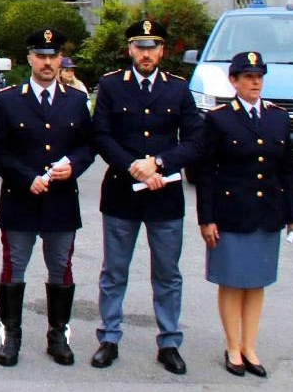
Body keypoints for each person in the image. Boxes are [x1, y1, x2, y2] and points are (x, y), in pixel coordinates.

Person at [90, 19, 202, 375]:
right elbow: (101, 136)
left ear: (162, 51)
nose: (146, 53)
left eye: (152, 47)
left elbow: (195, 140)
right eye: (140, 47)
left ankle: (169, 342)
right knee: (114, 271)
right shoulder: (110, 86)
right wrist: (133, 166)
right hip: (122, 193)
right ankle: (109, 337)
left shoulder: (178, 90)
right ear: (130, 51)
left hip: (164, 195)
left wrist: (160, 163)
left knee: (167, 274)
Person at [0, 29, 93, 367]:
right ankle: (11, 336)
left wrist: (74, 166)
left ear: (61, 59)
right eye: (40, 55)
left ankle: (58, 335)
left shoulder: (76, 100)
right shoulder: (7, 99)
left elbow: (88, 145)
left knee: (60, 267)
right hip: (20, 198)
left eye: (53, 56)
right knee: (14, 268)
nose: (47, 62)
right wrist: (25, 178)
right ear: (29, 59)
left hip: (61, 199)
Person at [195, 51, 293, 378]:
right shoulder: (220, 119)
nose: (255, 82)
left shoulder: (278, 118)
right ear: (234, 81)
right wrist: (206, 218)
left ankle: (250, 346)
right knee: (232, 281)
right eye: (248, 77)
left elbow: (287, 171)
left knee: (256, 283)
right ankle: (232, 346)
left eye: (259, 76)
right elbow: (206, 172)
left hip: (267, 212)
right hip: (231, 213)